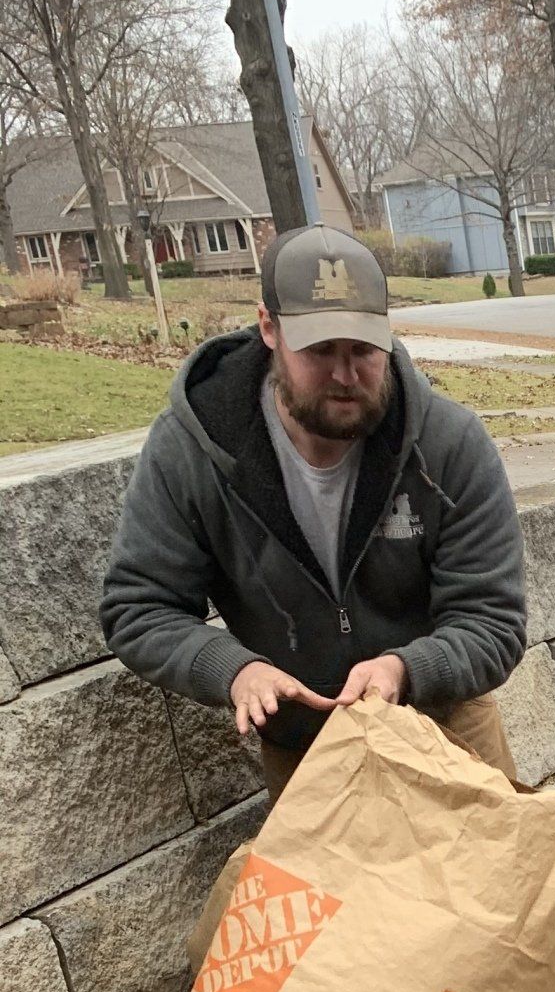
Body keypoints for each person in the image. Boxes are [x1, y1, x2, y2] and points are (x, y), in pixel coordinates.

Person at [100, 221, 527, 798]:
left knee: (496, 886)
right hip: (306, 743)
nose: (346, 375)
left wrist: (403, 669)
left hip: (443, 719)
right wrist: (235, 670)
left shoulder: (450, 443)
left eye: (363, 350)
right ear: (269, 328)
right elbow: (139, 607)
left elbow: (493, 622)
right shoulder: (192, 448)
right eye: (321, 350)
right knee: (342, 894)